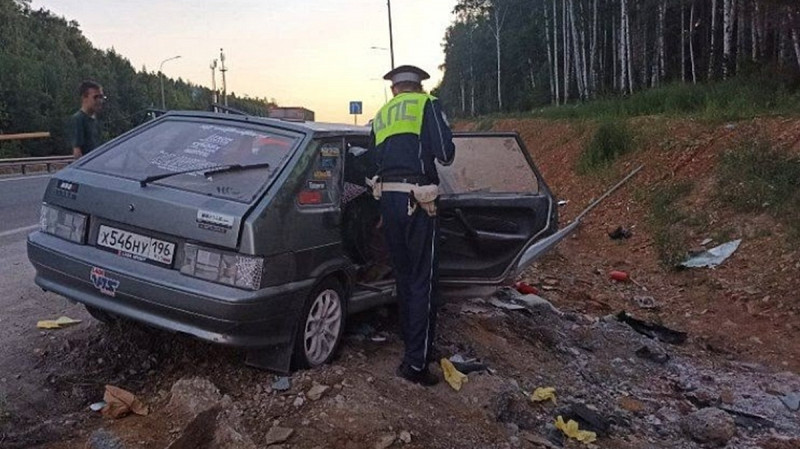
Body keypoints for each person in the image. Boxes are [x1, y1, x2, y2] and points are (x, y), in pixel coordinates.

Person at [368, 65, 455, 386]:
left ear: (394, 90)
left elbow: (373, 162)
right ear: (418, 87)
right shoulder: (427, 104)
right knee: (423, 280)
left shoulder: (382, 114)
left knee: (405, 277)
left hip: (388, 201)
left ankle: (414, 346)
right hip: (418, 201)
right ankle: (416, 365)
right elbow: (446, 154)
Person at [69, 80, 105, 158]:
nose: (100, 101)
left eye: (101, 97)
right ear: (84, 98)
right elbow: (77, 152)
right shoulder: (78, 119)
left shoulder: (96, 119)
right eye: (95, 97)